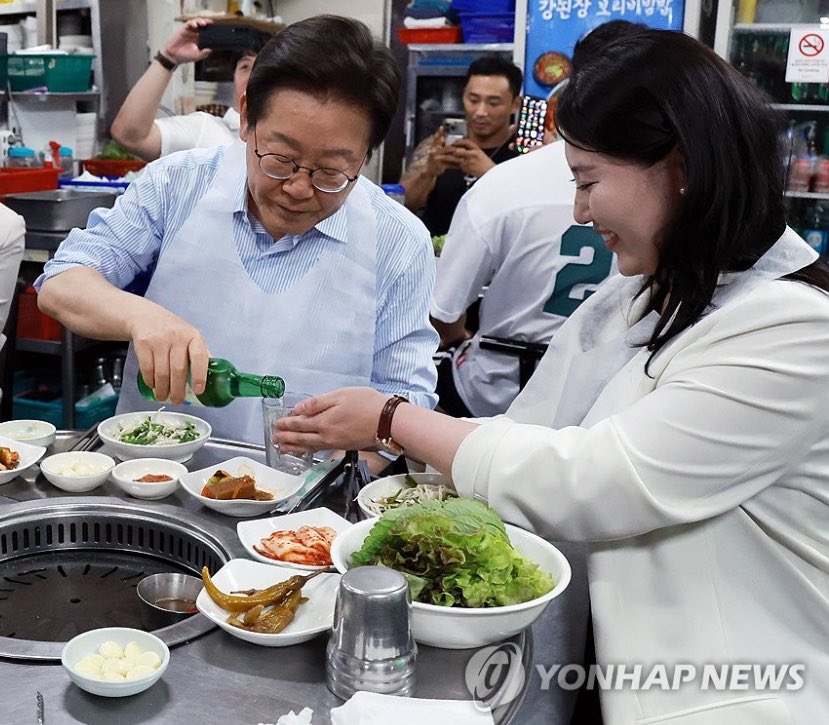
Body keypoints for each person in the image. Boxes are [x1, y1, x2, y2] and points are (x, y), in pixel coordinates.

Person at [275, 21, 829, 724]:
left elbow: (597, 478)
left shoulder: (793, 329)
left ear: (681, 165)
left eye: (587, 181)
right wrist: (409, 458)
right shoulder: (650, 290)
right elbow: (537, 429)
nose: (578, 209)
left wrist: (394, 417)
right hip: (618, 663)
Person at [36, 15, 439, 451]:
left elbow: (409, 401)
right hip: (153, 483)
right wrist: (140, 316)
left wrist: (381, 428)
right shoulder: (179, 183)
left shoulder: (398, 241)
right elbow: (61, 282)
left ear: (365, 157)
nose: (299, 189)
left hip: (308, 506)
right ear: (246, 117)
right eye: (280, 159)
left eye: (331, 172)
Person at [432, 135, 617, 417]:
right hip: (597, 399)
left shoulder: (501, 183)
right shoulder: (645, 186)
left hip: (491, 392)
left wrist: (459, 337)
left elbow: (443, 311)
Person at [110, 17, 276, 161]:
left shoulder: (288, 137)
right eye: (245, 66)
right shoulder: (205, 131)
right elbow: (129, 135)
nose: (252, 76)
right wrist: (168, 58)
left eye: (262, 67)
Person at [401, 54, 522, 236]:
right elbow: (401, 206)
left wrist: (489, 173)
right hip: (437, 256)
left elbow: (530, 216)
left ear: (515, 105)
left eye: (493, 103)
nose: (481, 112)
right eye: (473, 100)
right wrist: (428, 173)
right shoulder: (437, 146)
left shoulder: (524, 154)